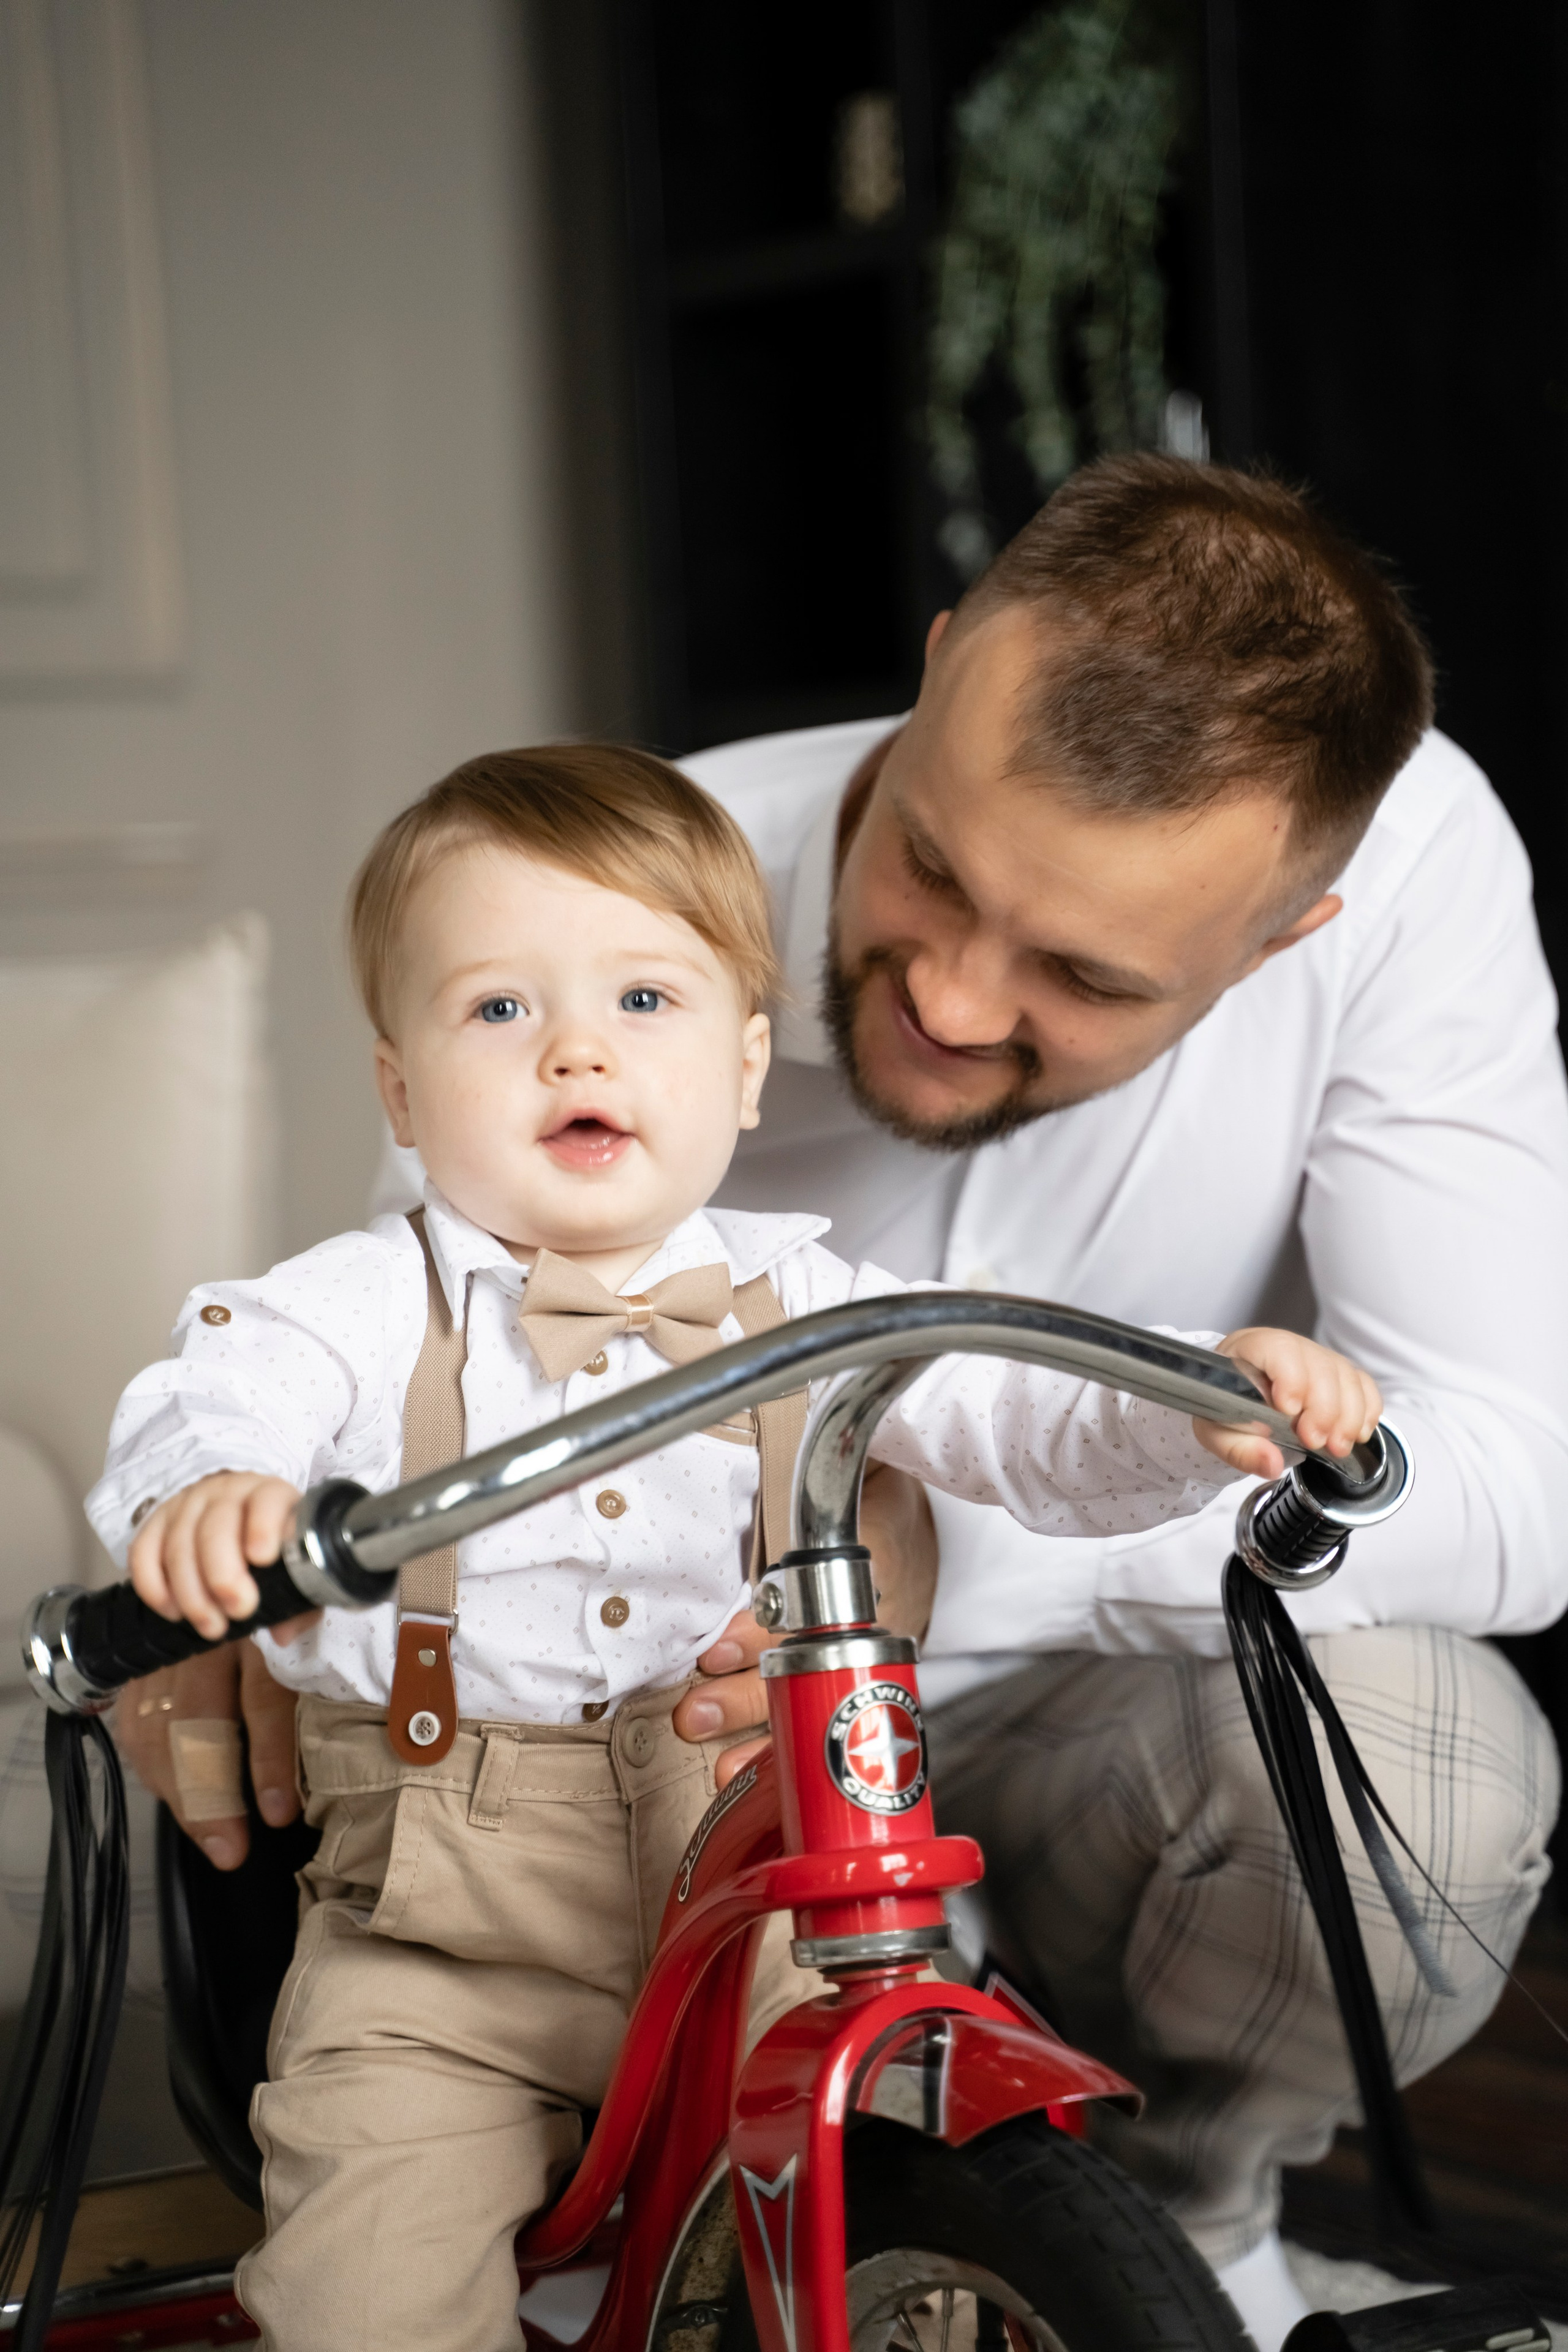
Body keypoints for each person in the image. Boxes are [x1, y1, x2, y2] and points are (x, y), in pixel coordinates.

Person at [118, 456, 1567, 2349]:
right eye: (933, 870)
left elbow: (1482, 1484)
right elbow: (334, 1364)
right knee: (384, 2237)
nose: (953, 1001)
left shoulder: (1394, 868)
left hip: (1002, 1748)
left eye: (1083, 973)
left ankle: (1176, 2215)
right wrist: (216, 1545)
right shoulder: (599, 920)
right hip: (560, 1830)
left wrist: (1015, 1507)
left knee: (1434, 1766)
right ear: (936, 667)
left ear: (1288, 936)